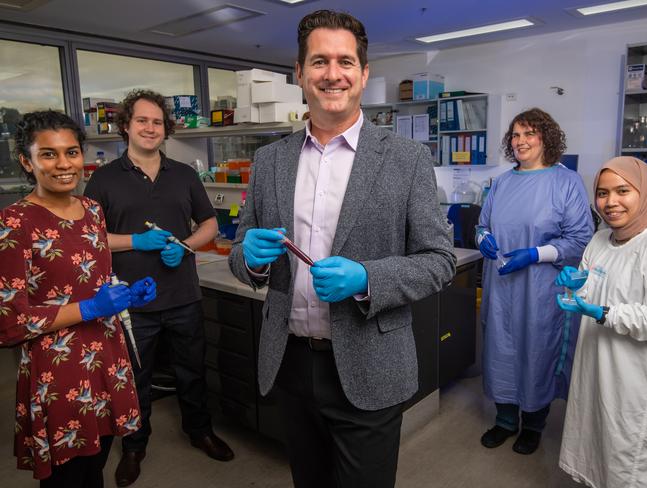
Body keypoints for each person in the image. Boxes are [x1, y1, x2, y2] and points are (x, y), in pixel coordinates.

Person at [229, 10, 455, 488]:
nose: (333, 74)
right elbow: (240, 248)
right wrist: (248, 258)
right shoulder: (269, 161)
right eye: (319, 61)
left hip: (370, 364)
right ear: (299, 72)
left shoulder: (406, 159)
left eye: (345, 61)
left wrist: (368, 279)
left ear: (364, 73)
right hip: (290, 360)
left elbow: (440, 261)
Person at [84, 89, 233, 488]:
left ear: (165, 128)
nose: (150, 128)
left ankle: (199, 430)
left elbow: (210, 225)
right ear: (127, 127)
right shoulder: (103, 179)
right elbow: (90, 238)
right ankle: (134, 446)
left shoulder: (183, 174)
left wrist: (185, 245)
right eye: (141, 121)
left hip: (183, 294)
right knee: (136, 377)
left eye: (156, 122)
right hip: (131, 301)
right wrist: (136, 241)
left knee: (191, 370)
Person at [0, 110, 157, 487]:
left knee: (96, 464)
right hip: (59, 368)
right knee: (67, 476)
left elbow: (87, 276)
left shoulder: (91, 211)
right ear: (27, 161)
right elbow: (9, 323)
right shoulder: (14, 222)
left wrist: (123, 294)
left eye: (71, 152)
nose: (63, 164)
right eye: (48, 154)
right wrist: (89, 308)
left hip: (105, 354)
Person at [476, 108, 593, 454]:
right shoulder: (502, 182)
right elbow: (483, 224)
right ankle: (505, 420)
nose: (521, 141)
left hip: (541, 288)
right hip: (501, 287)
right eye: (515, 135)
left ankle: (534, 424)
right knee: (501, 351)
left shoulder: (565, 181)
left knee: (537, 351)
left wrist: (535, 254)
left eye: (529, 134)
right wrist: (482, 237)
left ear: (546, 138)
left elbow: (580, 238)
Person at [557, 156, 647, 487]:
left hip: (633, 377)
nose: (610, 202)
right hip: (594, 363)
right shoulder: (600, 239)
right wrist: (576, 281)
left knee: (627, 452)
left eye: (623, 190)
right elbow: (591, 279)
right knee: (596, 436)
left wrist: (604, 312)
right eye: (602, 192)